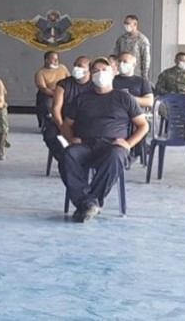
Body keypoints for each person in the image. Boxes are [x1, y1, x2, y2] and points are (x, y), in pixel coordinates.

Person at [59, 57, 148, 222]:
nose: (100, 74)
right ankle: (88, 202)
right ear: (91, 75)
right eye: (96, 71)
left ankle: (89, 203)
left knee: (116, 156)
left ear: (113, 73)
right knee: (67, 155)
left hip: (112, 146)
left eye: (104, 70)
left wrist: (128, 144)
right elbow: (66, 124)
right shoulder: (81, 98)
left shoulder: (125, 98)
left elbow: (143, 125)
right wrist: (71, 138)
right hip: (85, 145)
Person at [44, 56, 93, 160]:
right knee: (49, 134)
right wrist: (62, 127)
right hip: (62, 121)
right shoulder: (64, 84)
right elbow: (56, 108)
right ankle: (65, 160)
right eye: (75, 65)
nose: (76, 68)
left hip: (86, 123)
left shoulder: (94, 85)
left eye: (80, 66)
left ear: (89, 70)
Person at [34, 51, 70, 127]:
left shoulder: (62, 68)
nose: (56, 61)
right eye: (54, 59)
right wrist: (57, 95)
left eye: (57, 59)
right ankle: (46, 123)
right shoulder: (40, 73)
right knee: (46, 104)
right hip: (49, 94)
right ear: (46, 60)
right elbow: (43, 89)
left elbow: (69, 80)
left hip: (64, 91)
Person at [113, 15, 151, 79]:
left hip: (136, 73)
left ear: (135, 24)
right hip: (121, 72)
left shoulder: (142, 40)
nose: (126, 25)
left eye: (128, 23)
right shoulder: (121, 39)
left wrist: (145, 76)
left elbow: (146, 59)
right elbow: (116, 55)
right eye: (125, 23)